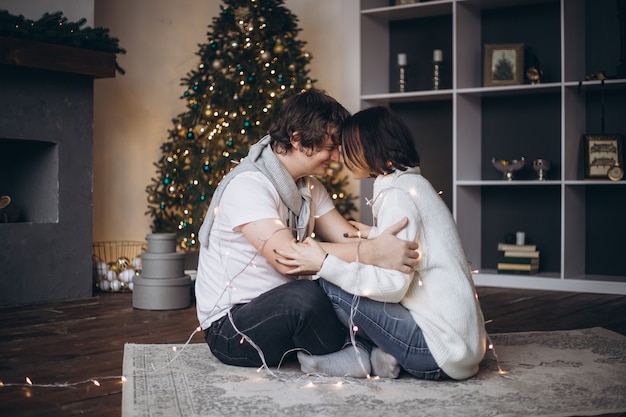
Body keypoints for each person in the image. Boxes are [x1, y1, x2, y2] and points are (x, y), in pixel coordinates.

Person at [195, 90, 420, 369]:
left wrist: (382, 240)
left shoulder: (309, 188)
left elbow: (346, 238)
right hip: (233, 329)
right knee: (306, 295)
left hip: (282, 317)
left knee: (341, 279)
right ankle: (361, 349)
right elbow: (287, 258)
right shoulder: (249, 185)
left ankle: (361, 351)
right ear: (297, 138)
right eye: (331, 146)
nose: (338, 157)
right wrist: (373, 252)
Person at [276, 106, 487, 381]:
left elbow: (393, 287)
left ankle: (358, 354)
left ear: (370, 148)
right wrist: (376, 235)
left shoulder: (398, 195)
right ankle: (374, 354)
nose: (340, 157)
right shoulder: (412, 186)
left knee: (329, 282)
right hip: (461, 348)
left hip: (438, 352)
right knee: (345, 277)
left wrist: (325, 263)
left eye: (347, 148)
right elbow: (419, 249)